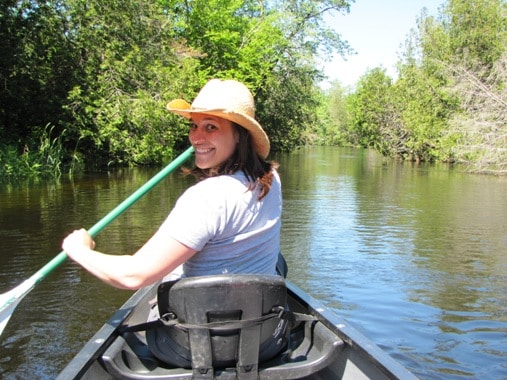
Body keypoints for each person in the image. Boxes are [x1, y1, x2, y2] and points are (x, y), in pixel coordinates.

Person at [62, 79, 282, 290]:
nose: (196, 138)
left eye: (211, 127)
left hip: (202, 323)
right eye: (194, 125)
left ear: (239, 135)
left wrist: (79, 250)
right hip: (260, 320)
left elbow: (133, 276)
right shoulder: (270, 177)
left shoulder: (206, 198)